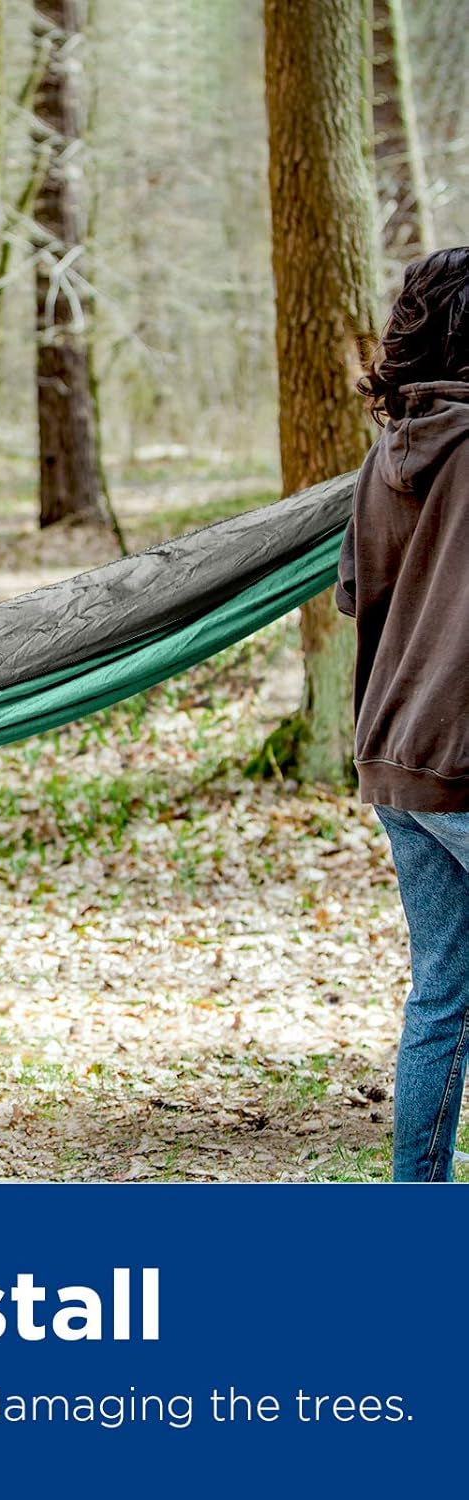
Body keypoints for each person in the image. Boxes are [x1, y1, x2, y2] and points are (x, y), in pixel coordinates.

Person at [338, 245, 469, 1181]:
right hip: (461, 759)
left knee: (442, 999)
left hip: (394, 759)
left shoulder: (386, 457)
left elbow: (358, 595)